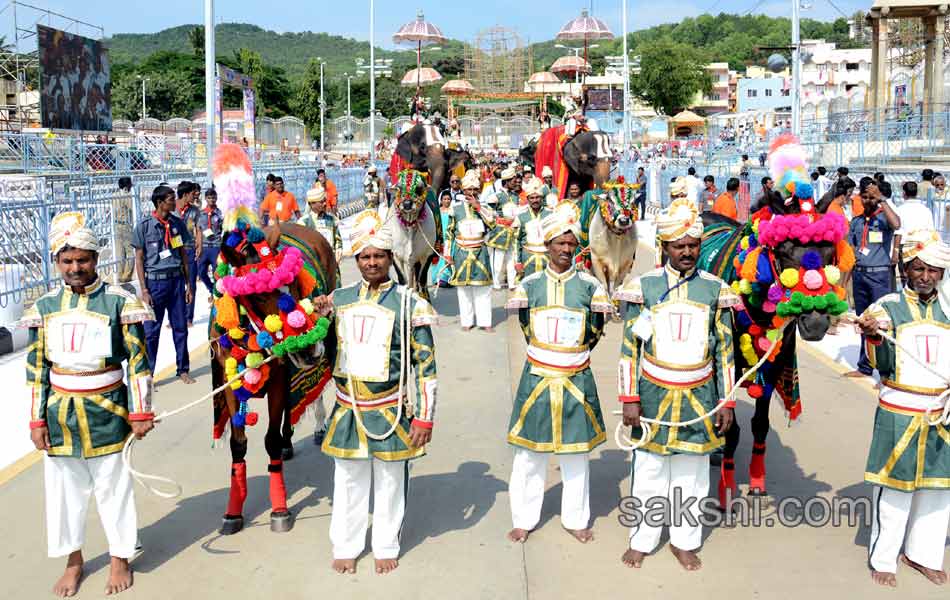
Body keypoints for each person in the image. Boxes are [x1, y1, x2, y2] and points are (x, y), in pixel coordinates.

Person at [22, 212, 155, 596]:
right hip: (60, 417)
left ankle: (120, 557)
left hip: (108, 412)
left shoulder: (119, 302)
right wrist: (36, 421)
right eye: (67, 261)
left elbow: (139, 363)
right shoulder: (44, 308)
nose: (75, 268)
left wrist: (141, 411)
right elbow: (35, 371)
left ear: (96, 259)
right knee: (64, 493)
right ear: (56, 263)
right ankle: (74, 561)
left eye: (82, 259)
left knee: (114, 487)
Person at [615, 198, 738, 571]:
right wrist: (629, 398)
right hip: (652, 394)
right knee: (649, 469)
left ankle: (685, 540)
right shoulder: (644, 287)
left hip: (700, 397)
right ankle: (643, 537)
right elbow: (628, 349)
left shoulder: (716, 290)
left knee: (693, 471)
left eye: (693, 245)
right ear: (665, 247)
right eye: (679, 246)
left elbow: (726, 352)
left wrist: (727, 402)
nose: (687, 252)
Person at [319, 219, 438, 576]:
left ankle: (386, 544)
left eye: (378, 256)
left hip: (390, 410)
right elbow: (319, 351)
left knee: (389, 481)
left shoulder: (409, 303)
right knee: (348, 480)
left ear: (390, 258)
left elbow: (426, 364)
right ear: (356, 260)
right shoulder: (338, 300)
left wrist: (424, 417)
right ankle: (346, 545)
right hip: (348, 409)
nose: (371, 262)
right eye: (364, 256)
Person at [505, 204, 612, 545]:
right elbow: (526, 327)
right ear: (548, 245)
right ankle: (523, 518)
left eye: (570, 244)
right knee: (529, 455)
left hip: (575, 379)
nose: (565, 249)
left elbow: (593, 332)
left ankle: (575, 519)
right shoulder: (530, 284)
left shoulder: (591, 287)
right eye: (559, 243)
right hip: (537, 377)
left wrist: (570, 357)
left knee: (575, 454)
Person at [856, 228, 950, 587]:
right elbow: (880, 362)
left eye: (933, 270)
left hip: (942, 413)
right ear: (905, 269)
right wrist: (873, 336)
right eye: (918, 268)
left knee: (938, 489)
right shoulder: (885, 309)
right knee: (894, 488)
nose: (926, 277)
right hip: (900, 410)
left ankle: (923, 554)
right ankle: (884, 558)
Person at [132, 185, 195, 385]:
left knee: (180, 328)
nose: (173, 202)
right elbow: (139, 259)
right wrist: (144, 289)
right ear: (160, 203)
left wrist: (188, 285)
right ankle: (149, 373)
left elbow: (183, 254)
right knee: (151, 332)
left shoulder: (177, 224)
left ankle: (183, 369)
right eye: (170, 199)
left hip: (176, 281)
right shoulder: (144, 226)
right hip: (155, 284)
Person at [844, 177, 901, 378]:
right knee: (863, 321)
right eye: (865, 196)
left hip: (879, 276)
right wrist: (844, 283)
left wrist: (882, 200)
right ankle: (865, 366)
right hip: (860, 277)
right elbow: (850, 254)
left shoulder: (883, 218)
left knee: (883, 322)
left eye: (872, 197)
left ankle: (887, 371)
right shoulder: (857, 222)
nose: (868, 200)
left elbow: (897, 223)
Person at [444, 170, 495, 331]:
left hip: (480, 251)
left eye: (474, 190)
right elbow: (449, 233)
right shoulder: (456, 208)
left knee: (483, 289)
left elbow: (492, 224)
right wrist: (447, 254)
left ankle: (485, 322)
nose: (471, 193)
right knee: (464, 290)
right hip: (461, 252)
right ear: (463, 191)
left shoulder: (484, 207)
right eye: (468, 190)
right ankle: (467, 322)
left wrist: (478, 208)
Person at [486, 166, 519, 291]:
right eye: (513, 180)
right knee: (498, 259)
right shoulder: (496, 196)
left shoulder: (515, 196)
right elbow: (489, 212)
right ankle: (496, 282)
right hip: (500, 231)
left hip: (513, 231)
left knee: (512, 258)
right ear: (506, 181)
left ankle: (511, 283)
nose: (515, 182)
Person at [513, 178, 553, 279]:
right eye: (532, 198)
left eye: (537, 197)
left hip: (548, 258)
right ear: (528, 199)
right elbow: (516, 241)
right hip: (528, 260)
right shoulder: (521, 216)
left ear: (542, 198)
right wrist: (517, 262)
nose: (535, 200)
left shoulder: (551, 214)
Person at [175, 181, 202, 326]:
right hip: (174, 252)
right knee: (176, 285)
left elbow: (198, 229)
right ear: (185, 194)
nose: (195, 195)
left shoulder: (194, 210)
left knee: (190, 283)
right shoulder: (172, 208)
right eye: (193, 193)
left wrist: (200, 245)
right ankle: (176, 317)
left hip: (189, 249)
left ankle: (188, 317)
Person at [298, 185, 344, 267]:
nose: (325, 204)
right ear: (312, 204)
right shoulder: (304, 223)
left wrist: (338, 253)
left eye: (325, 201)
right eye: (321, 202)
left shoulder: (332, 220)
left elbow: (338, 240)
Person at [196, 187, 223, 299]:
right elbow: (198, 230)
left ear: (216, 198)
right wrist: (198, 246)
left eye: (213, 197)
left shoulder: (220, 213)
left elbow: (224, 229)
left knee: (217, 273)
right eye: (209, 198)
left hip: (216, 247)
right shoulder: (200, 214)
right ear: (206, 199)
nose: (212, 200)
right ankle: (211, 289)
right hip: (204, 247)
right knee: (201, 272)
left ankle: (217, 296)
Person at [112, 176, 136, 283]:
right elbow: (133, 208)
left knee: (119, 251)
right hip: (126, 225)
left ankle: (119, 274)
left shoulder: (114, 195)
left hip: (116, 225)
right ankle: (127, 275)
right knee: (130, 251)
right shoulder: (127, 196)